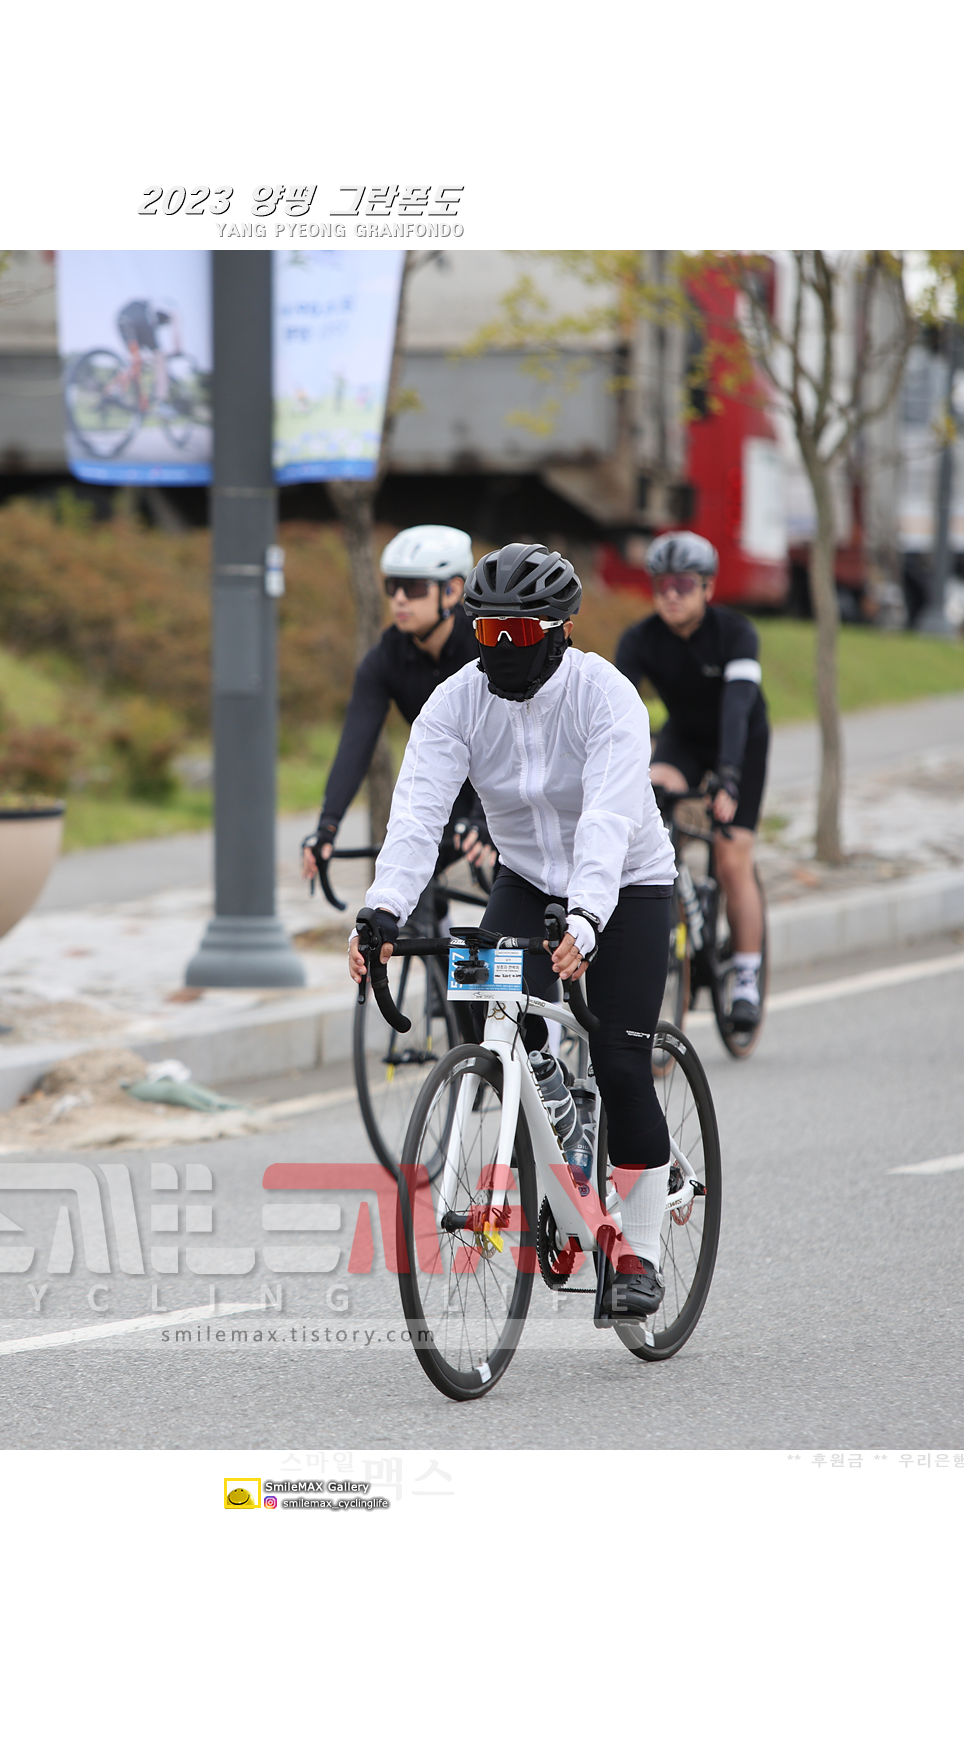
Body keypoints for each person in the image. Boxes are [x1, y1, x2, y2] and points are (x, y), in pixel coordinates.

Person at [347, 542, 678, 1318]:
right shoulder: (456, 702)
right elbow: (418, 814)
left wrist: (589, 915)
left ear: (561, 630)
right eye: (486, 630)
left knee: (621, 1062)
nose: (499, 647)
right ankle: (561, 1144)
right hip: (526, 881)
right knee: (495, 1025)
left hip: (627, 883)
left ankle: (638, 1250)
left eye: (518, 633)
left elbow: (607, 818)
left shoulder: (606, 697)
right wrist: (383, 910)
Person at [613, 530, 769, 1032]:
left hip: (740, 743)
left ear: (708, 587)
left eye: (683, 585)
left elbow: (737, 709)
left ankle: (745, 975)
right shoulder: (640, 639)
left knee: (731, 857)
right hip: (682, 738)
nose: (671, 595)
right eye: (662, 585)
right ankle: (675, 904)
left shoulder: (736, 634)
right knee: (651, 789)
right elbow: (618, 714)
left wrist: (728, 778)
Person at [302, 525, 492, 890]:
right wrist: (327, 827)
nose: (400, 599)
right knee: (407, 887)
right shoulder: (386, 657)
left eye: (414, 587)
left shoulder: (485, 644)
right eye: (393, 586)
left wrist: (483, 819)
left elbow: (512, 741)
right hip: (448, 784)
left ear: (452, 590)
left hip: (509, 782)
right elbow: (355, 744)